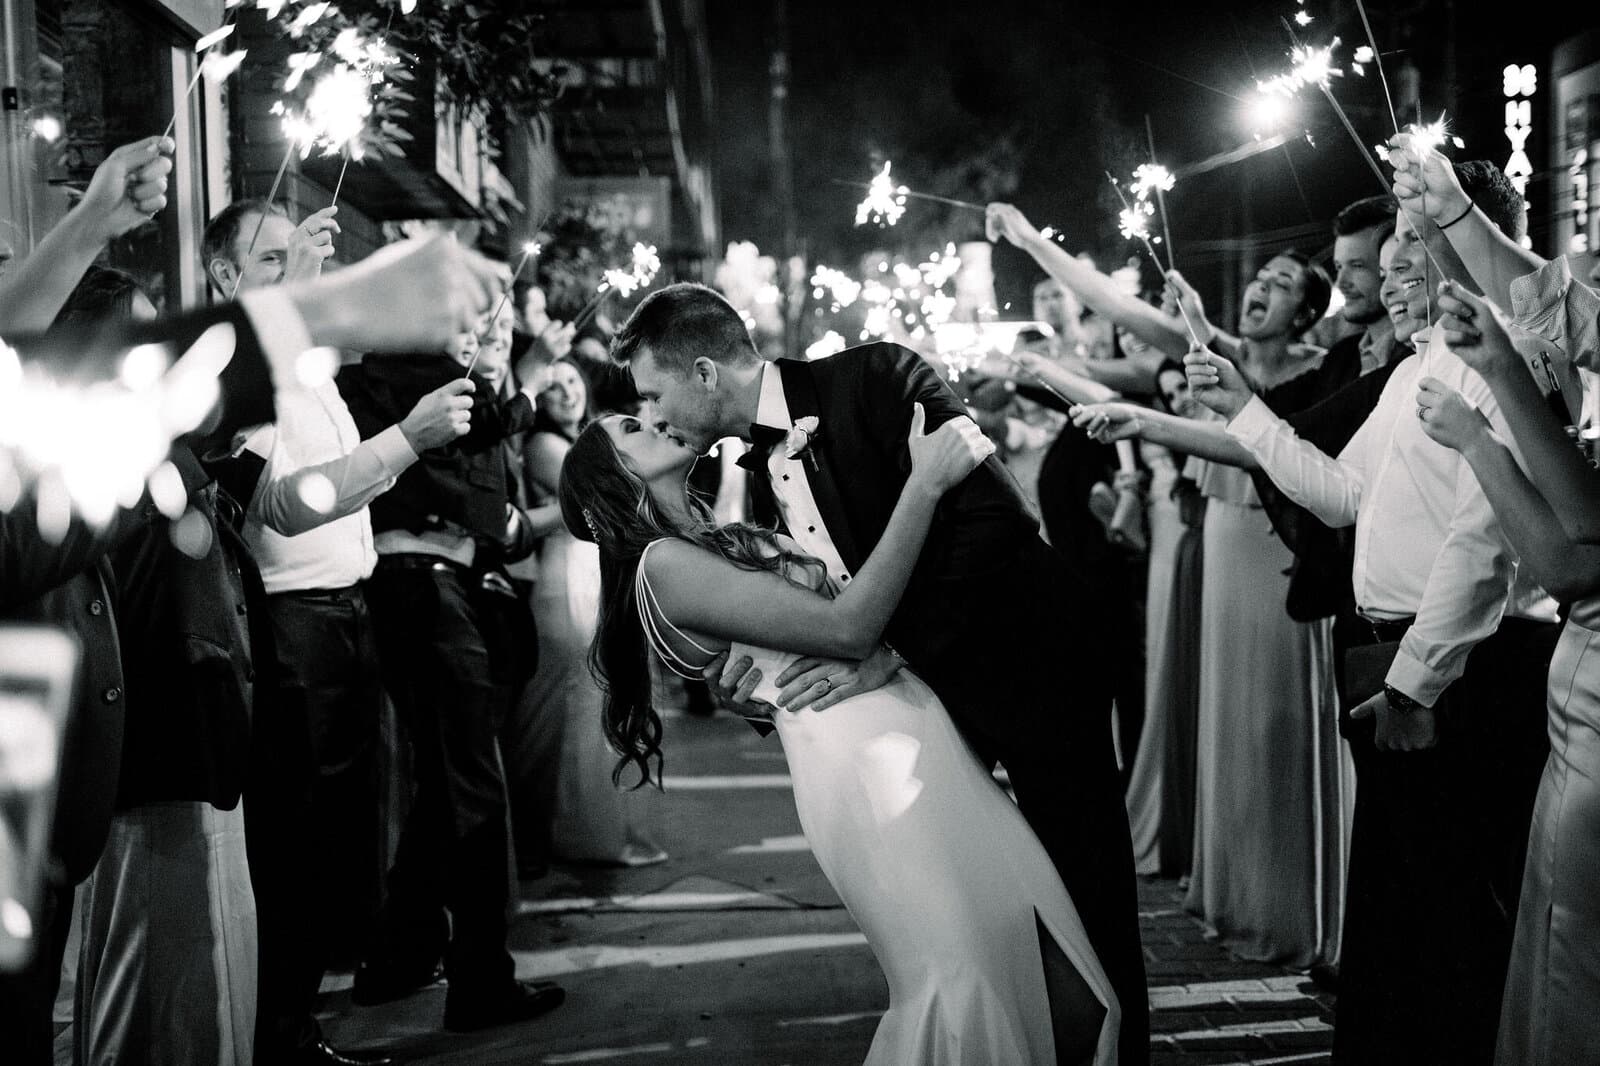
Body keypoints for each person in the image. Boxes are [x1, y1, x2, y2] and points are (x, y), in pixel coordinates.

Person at [611, 282, 1150, 1065]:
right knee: (996, 913)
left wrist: (891, 646)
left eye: (652, 394)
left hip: (1030, 671)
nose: (654, 416)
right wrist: (757, 695)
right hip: (921, 724)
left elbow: (1000, 518)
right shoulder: (760, 480)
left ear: (703, 372)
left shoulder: (878, 377)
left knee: (1088, 896)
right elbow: (810, 616)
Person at [1186, 150, 1562, 1064]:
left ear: (1468, 242)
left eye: (1409, 257)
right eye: (1384, 266)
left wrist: (1416, 683)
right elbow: (1349, 496)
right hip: (1395, 659)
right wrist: (1246, 415)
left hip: (1466, 671)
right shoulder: (1412, 368)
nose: (1391, 284)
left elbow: (1484, 543)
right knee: (1397, 917)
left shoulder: (1507, 358)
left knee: (1453, 918)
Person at [203, 200, 475, 1066]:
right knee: (293, 844)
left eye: (299, 253)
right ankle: (279, 1036)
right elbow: (283, 506)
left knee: (330, 843)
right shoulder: (248, 372)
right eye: (271, 258)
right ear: (223, 278)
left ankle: (298, 1025)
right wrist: (406, 438)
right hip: (293, 629)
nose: (297, 270)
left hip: (343, 616)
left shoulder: (306, 368)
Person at [1063, 236, 1343, 970]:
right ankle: (1235, 896)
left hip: (1283, 550)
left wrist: (1146, 422)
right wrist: (1031, 240)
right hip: (1220, 540)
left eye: (1282, 284)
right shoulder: (1215, 354)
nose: (1260, 288)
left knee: (1279, 722)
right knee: (1228, 715)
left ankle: (1293, 907)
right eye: (1260, 277)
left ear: (1308, 312)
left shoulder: (1326, 376)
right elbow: (1118, 305)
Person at [1389, 138, 1600, 1065]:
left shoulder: (1523, 355)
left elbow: (1570, 558)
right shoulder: (1437, 358)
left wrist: (1485, 421)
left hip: (1580, 685)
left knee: (1568, 961)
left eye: (1405, 253)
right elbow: (1562, 306)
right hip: (1575, 684)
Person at [338, 305, 564, 1032]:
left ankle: (400, 955)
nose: (473, 337)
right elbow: (465, 458)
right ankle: (479, 980)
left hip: (438, 588)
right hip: (422, 589)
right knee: (470, 783)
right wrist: (520, 395)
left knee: (448, 785)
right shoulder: (401, 380)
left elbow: (490, 476)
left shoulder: (408, 381)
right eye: (460, 320)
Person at [507, 356, 667, 866]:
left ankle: (602, 827)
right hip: (568, 574)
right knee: (577, 701)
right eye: (551, 387)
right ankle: (570, 830)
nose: (565, 392)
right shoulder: (544, 445)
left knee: (601, 694)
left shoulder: (591, 439)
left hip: (599, 569)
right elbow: (600, 495)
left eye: (571, 380)